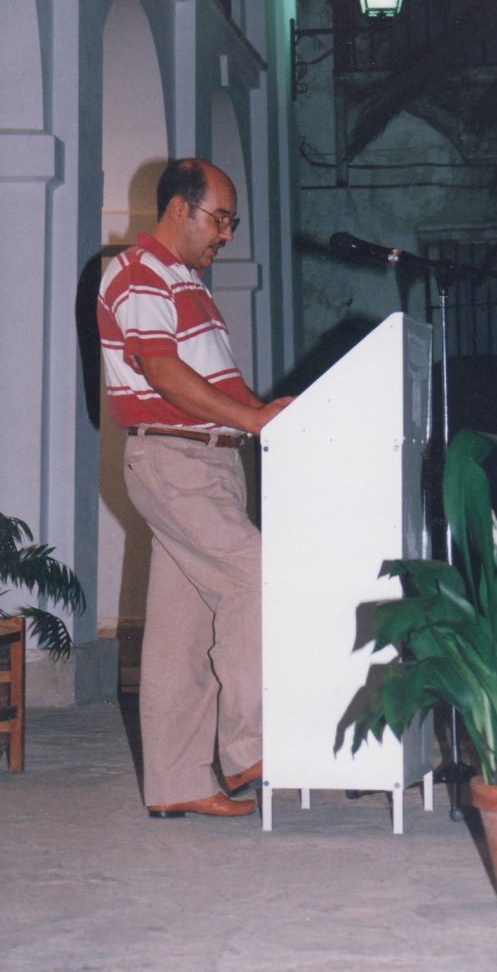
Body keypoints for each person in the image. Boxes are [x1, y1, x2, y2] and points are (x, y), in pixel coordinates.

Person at [98, 158, 292, 818]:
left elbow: (209, 383)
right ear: (178, 209)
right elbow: (161, 371)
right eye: (220, 219)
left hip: (208, 462)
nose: (227, 234)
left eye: (232, 222)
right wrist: (252, 420)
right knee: (256, 576)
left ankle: (179, 781)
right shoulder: (137, 272)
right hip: (175, 462)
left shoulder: (185, 283)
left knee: (182, 630)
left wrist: (266, 410)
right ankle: (250, 746)